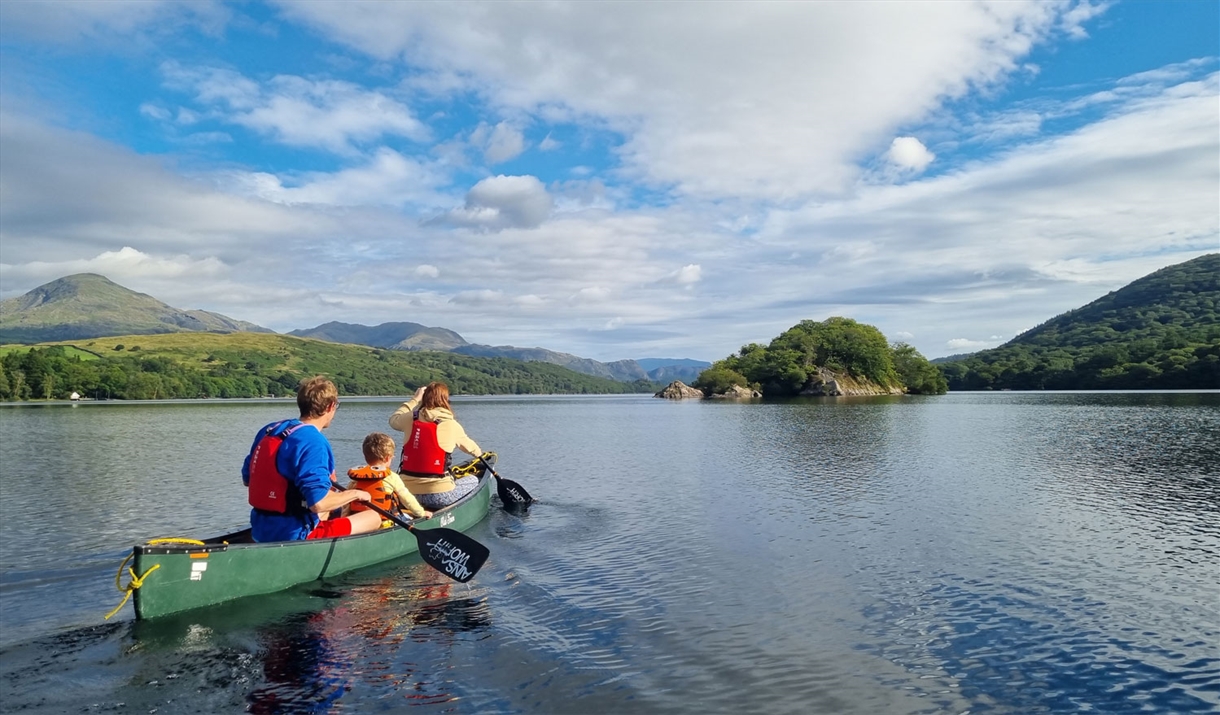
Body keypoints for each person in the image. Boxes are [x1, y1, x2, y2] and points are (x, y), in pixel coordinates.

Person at [242, 376, 382, 542]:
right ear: (330, 406)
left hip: (260, 529)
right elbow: (319, 503)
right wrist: (356, 494)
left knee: (332, 508)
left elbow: (247, 479)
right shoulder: (313, 441)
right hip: (296, 534)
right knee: (374, 517)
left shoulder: (270, 429)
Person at [389, 382, 483, 510]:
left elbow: (393, 420)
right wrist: (482, 455)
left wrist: (415, 399)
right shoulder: (452, 424)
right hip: (439, 496)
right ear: (445, 400)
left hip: (408, 494)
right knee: (474, 479)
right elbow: (474, 450)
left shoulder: (410, 418)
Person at [344, 432, 433, 522]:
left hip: (360, 520)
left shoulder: (357, 477)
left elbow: (346, 504)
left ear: (365, 456)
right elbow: (407, 499)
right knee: (406, 517)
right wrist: (421, 513)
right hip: (385, 521)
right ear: (387, 458)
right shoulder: (392, 477)